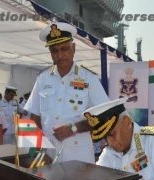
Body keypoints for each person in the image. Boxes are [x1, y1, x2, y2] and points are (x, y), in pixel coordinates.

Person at [24, 22, 109, 163]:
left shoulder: (89, 79)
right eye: (54, 51)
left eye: (64, 48)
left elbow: (105, 116)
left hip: (79, 156)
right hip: (48, 155)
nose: (60, 54)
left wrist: (73, 128)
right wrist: (38, 150)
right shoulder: (42, 79)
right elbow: (34, 118)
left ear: (73, 48)